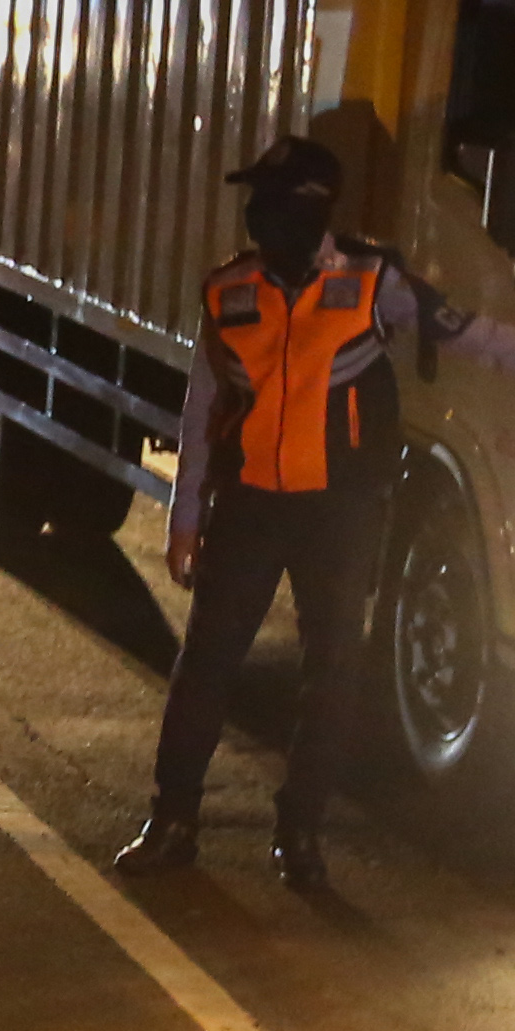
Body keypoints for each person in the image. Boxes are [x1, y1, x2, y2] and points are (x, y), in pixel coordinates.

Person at [113, 133, 483, 894]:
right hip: (250, 505)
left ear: (309, 207)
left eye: (272, 199)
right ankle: (173, 821)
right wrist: (185, 521)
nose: (258, 215)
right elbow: (201, 407)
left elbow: (481, 338)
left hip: (338, 512)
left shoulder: (372, 283)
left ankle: (300, 834)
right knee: (206, 665)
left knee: (333, 673)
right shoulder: (231, 289)